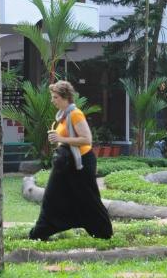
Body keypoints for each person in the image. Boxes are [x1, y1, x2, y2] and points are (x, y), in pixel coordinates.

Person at [29, 80, 113, 241]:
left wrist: (60, 138)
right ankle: (41, 232)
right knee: (53, 196)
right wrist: (59, 140)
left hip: (81, 163)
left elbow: (87, 140)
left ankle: (104, 232)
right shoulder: (62, 115)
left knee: (88, 198)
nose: (52, 100)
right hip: (66, 163)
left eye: (55, 97)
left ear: (65, 97)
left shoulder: (75, 114)